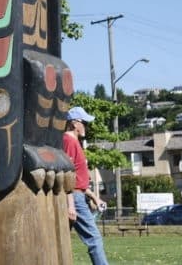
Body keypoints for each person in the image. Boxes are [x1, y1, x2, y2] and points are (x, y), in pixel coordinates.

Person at [63, 106, 110, 265]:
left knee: (62, 238)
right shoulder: (69, 141)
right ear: (75, 123)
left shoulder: (75, 142)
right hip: (74, 198)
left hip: (78, 195)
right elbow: (66, 175)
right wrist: (71, 205)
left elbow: (79, 181)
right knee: (94, 238)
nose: (86, 127)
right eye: (85, 123)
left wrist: (95, 198)